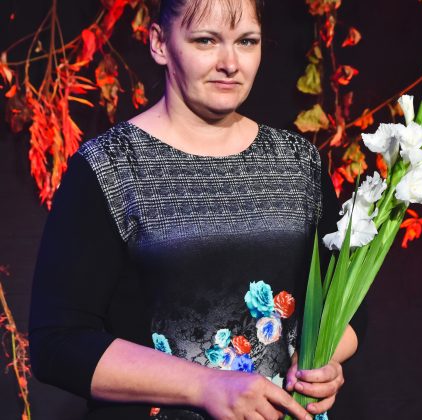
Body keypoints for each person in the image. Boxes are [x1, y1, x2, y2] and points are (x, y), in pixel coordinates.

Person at [28, 0, 367, 418]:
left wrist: (324, 361)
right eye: (206, 40)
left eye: (247, 41)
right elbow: (58, 344)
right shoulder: (111, 166)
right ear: (159, 43)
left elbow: (348, 304)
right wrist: (205, 386)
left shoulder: (298, 164)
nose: (230, 63)